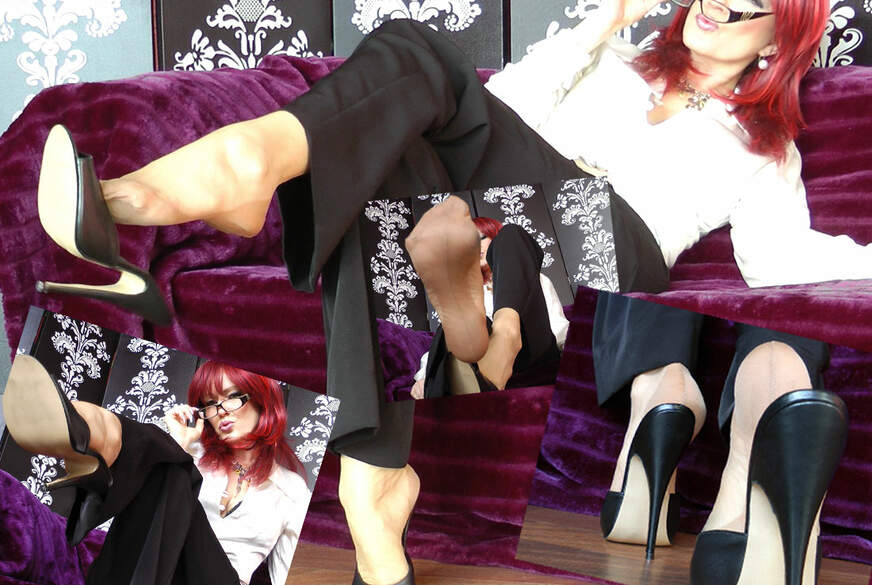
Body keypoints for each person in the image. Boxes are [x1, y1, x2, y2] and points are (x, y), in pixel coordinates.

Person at [29, 0, 864, 583]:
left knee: (400, 134)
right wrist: (601, 25)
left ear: (778, 40)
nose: (717, 7)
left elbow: (782, 256)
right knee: (399, 92)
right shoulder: (615, 64)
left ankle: (234, 183)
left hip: (614, 239)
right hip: (500, 205)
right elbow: (487, 112)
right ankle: (383, 466)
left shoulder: (764, 146)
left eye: (747, 6)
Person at [1, 355, 311, 585]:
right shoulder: (194, 457)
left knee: (173, 468)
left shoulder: (292, 490)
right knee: (170, 467)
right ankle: (84, 429)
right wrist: (182, 443)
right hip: (161, 572)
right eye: (210, 403)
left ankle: (93, 431)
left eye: (232, 397)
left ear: (263, 399)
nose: (220, 413)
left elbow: (288, 573)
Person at [410, 216, 569, 398]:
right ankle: (483, 374)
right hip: (478, 361)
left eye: (481, 238)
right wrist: (425, 377)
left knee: (512, 234)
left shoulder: (535, 279)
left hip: (532, 355)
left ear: (494, 239)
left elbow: (559, 328)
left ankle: (506, 336)